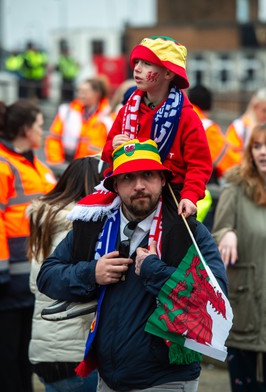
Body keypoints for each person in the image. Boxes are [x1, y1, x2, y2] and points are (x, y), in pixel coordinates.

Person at [37, 138, 228, 392]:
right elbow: (48, 276)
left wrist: (154, 270)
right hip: (107, 379)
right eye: (128, 178)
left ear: (162, 179)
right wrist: (92, 272)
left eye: (147, 175)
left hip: (166, 380)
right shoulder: (95, 226)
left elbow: (215, 300)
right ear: (115, 185)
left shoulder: (188, 231)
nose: (139, 186)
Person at [102, 35, 213, 220]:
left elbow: (199, 165)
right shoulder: (127, 111)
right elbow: (106, 154)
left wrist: (190, 196)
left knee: (201, 246)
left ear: (169, 73)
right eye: (136, 62)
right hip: (129, 196)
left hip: (172, 198)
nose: (137, 69)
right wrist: (113, 145)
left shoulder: (187, 117)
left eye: (146, 63)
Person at [27, 156, 108, 392]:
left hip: (44, 352)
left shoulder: (45, 221)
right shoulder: (78, 227)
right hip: (75, 352)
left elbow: (36, 284)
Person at [0, 99, 56, 392]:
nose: (43, 131)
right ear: (24, 129)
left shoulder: (37, 166)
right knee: (7, 358)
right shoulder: (3, 165)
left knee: (24, 356)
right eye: (38, 126)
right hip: (9, 281)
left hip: (32, 278)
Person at [212, 124, 266, 391]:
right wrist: (227, 233)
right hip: (248, 309)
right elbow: (218, 230)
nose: (263, 152)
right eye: (257, 146)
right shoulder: (236, 184)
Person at [188, 84, 238, 229]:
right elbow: (228, 164)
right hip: (201, 195)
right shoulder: (207, 127)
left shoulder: (177, 117)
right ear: (208, 106)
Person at [45, 77, 112, 168]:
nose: (80, 95)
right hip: (67, 164)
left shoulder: (108, 118)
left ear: (97, 94)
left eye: (85, 92)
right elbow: (54, 138)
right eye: (79, 91)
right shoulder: (67, 112)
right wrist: (57, 163)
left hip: (95, 169)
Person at [226, 87, 266, 166]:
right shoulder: (239, 127)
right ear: (255, 107)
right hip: (244, 172)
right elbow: (230, 154)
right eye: (264, 110)